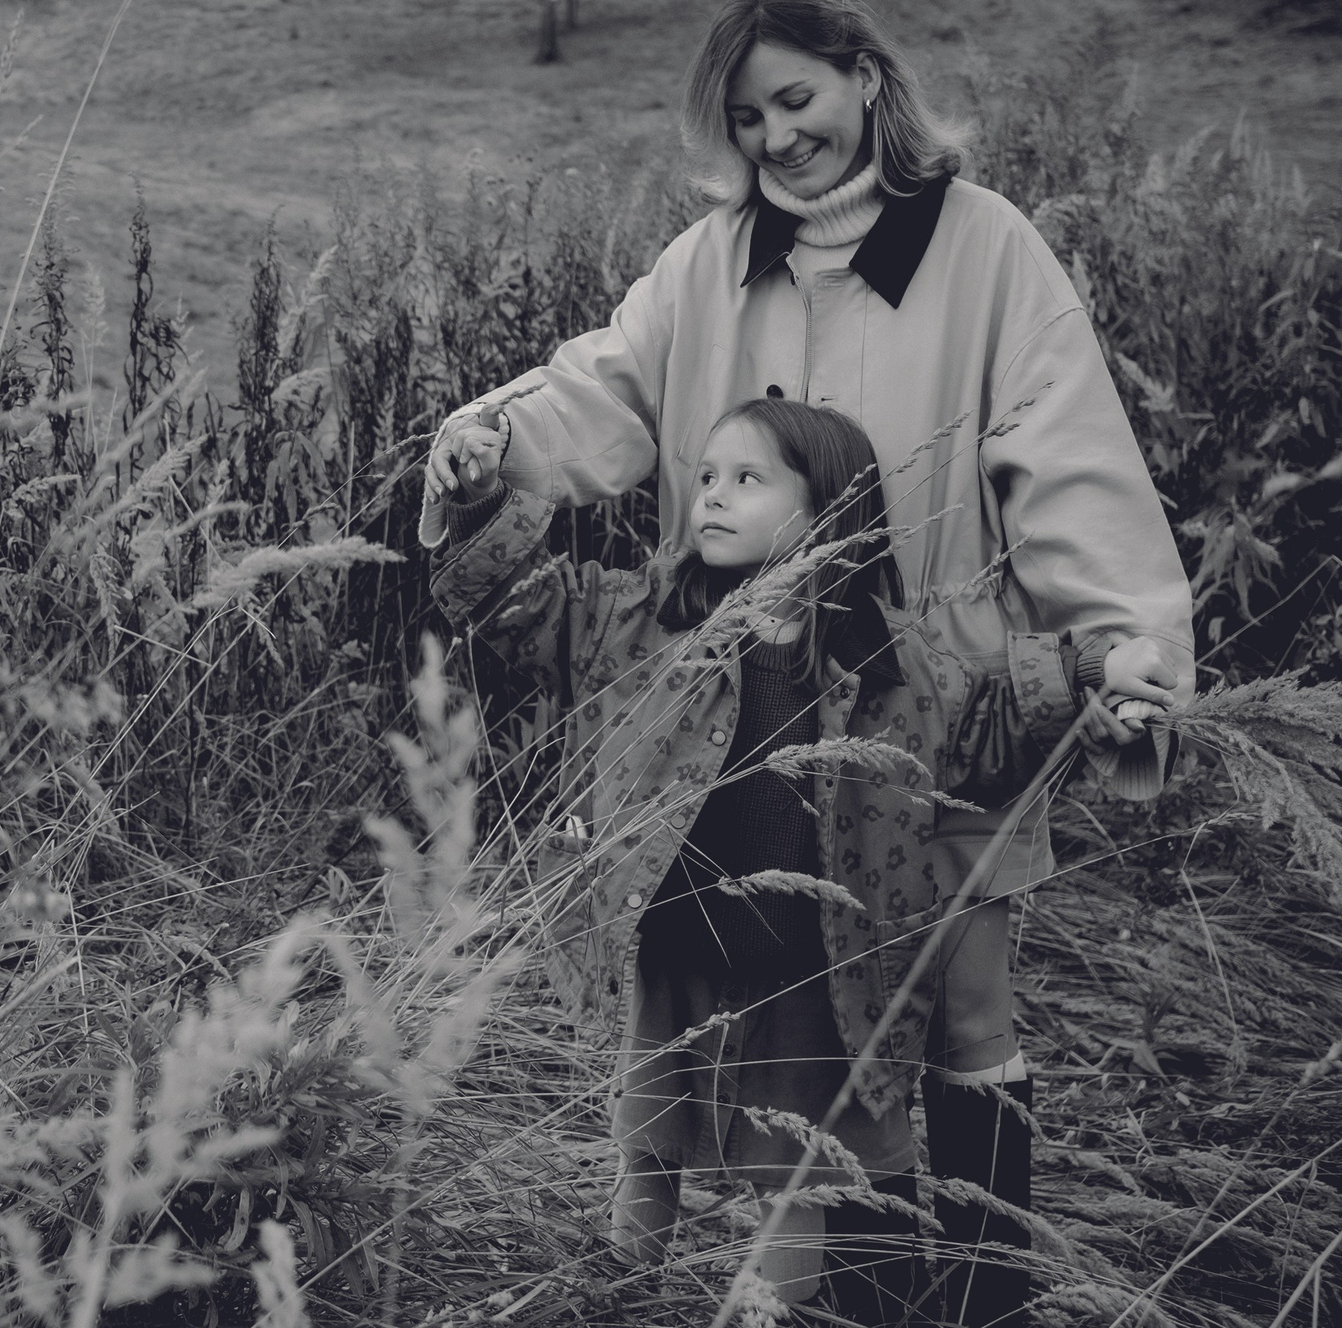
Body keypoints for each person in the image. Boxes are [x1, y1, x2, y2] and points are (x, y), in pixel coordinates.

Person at [420, 3, 1195, 1320]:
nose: (776, 136)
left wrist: (1124, 647)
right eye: (747, 117)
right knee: (800, 1029)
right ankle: (853, 1286)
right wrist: (492, 447)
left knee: (955, 1015)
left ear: (864, 74)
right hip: (745, 721)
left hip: (939, 703)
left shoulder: (987, 249)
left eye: (796, 100)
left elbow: (1069, 457)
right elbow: (596, 393)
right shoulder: (706, 265)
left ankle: (983, 1297)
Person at [431, 396, 1122, 1324]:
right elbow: (525, 606)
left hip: (814, 968)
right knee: (651, 1146)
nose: (712, 497)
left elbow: (984, 734)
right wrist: (481, 501)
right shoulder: (647, 619)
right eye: (707, 476)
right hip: (682, 946)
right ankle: (613, 1299)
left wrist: (1079, 673)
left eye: (747, 480)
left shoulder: (891, 660)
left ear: (829, 509)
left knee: (797, 1174)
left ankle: (761, 1313)